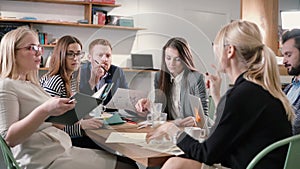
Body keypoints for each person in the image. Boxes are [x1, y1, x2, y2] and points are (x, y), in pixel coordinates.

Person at [146, 20, 295, 169]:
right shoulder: (258, 89)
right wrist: (217, 96)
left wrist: (173, 131)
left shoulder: (242, 95)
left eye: (216, 46)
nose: (215, 52)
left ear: (230, 51)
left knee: (175, 164)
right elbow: (228, 133)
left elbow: (207, 154)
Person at [0, 26, 118, 168]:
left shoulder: (32, 84)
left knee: (126, 162)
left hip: (59, 149)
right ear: (12, 52)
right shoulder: (6, 86)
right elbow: (8, 138)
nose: (39, 53)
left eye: (39, 47)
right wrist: (46, 110)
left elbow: (54, 123)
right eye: (32, 48)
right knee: (126, 165)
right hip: (44, 159)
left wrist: (67, 112)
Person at [40, 35, 138, 169]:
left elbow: (71, 114)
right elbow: (51, 126)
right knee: (128, 164)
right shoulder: (56, 81)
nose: (75, 58)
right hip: (59, 145)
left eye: (78, 54)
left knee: (125, 158)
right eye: (70, 54)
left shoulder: (72, 79)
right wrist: (81, 126)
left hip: (71, 137)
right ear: (61, 55)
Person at [135, 37, 208, 127]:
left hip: (189, 131)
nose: (171, 63)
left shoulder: (196, 78)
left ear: (185, 60)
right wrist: (148, 108)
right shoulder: (159, 77)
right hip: (170, 129)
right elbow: (160, 112)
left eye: (177, 59)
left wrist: (197, 120)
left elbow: (204, 117)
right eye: (168, 58)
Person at [80, 38, 128, 107]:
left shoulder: (117, 72)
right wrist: (94, 78)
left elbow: (126, 99)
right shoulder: (80, 72)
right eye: (100, 55)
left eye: (108, 56)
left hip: (109, 114)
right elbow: (81, 101)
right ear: (90, 58)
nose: (105, 59)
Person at [281, 28, 300, 135]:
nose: (284, 61)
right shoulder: (289, 88)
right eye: (284, 55)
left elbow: (295, 128)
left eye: (288, 55)